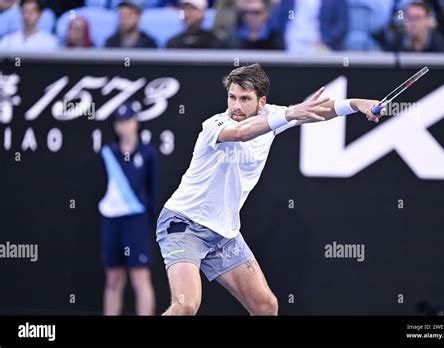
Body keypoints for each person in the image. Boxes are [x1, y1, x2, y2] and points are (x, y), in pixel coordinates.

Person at [155, 63, 381, 315]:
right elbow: (241, 134)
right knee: (186, 306)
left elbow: (318, 110)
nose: (236, 106)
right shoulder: (215, 124)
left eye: (244, 99)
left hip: (224, 234)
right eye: (232, 97)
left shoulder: (271, 115)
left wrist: (357, 103)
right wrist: (290, 114)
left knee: (266, 306)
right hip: (184, 224)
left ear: (261, 102)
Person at [99, 101, 159, 315]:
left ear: (137, 123)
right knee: (113, 278)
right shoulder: (108, 152)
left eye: (128, 120)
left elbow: (153, 191)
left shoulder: (148, 153)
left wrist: (151, 223)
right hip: (112, 221)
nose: (124, 125)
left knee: (139, 277)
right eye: (120, 121)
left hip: (136, 221)